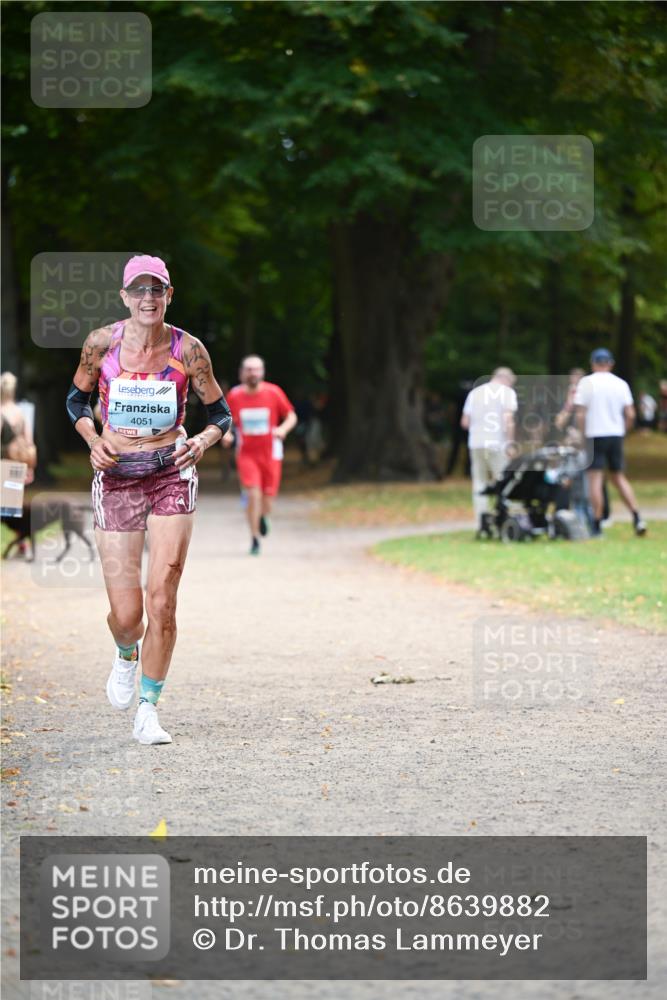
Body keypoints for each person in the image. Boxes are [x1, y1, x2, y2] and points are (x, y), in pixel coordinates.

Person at [65, 254, 231, 745]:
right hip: (116, 475)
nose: (147, 299)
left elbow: (219, 413)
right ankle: (125, 653)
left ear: (168, 296)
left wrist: (201, 441)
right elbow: (75, 401)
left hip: (170, 473)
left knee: (163, 599)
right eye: (138, 291)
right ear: (124, 297)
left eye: (156, 290)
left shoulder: (190, 349)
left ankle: (148, 708)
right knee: (127, 615)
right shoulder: (101, 344)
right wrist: (93, 441)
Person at [223, 355, 297, 555]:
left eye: (256, 369)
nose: (252, 373)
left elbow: (291, 415)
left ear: (262, 372)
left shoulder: (273, 392)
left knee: (268, 497)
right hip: (247, 454)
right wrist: (227, 434)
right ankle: (255, 538)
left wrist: (282, 430)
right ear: (242, 372)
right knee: (253, 494)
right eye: (248, 369)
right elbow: (226, 419)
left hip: (271, 452)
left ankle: (264, 517)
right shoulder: (235, 395)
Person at [574, 348, 646, 538]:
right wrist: (622, 431)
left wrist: (582, 436)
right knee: (618, 477)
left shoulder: (586, 383)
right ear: (610, 363)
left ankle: (596, 524)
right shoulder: (620, 384)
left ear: (593, 363)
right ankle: (637, 517)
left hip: (594, 434)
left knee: (595, 480)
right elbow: (630, 414)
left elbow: (580, 414)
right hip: (615, 434)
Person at [461, 367, 518, 527]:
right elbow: (508, 420)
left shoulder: (475, 393)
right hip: (496, 444)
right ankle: (506, 518)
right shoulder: (507, 393)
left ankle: (481, 521)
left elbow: (465, 422)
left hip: (476, 443)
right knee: (505, 481)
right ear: (507, 380)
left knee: (479, 483)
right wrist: (510, 443)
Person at [1, 372, 37, 485]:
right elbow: (29, 442)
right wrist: (30, 468)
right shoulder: (21, 413)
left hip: (2, 464)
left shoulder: (1, 412)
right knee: (14, 499)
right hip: (17, 466)